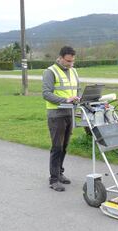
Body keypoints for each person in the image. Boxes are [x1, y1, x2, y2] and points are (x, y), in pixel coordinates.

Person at [42, 46, 80, 192]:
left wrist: (77, 98)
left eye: (72, 61)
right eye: (68, 61)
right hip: (56, 114)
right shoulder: (50, 71)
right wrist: (65, 100)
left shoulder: (74, 70)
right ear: (60, 57)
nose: (71, 64)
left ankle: (60, 173)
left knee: (64, 146)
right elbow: (46, 93)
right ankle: (54, 179)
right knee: (57, 147)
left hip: (69, 113)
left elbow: (77, 88)